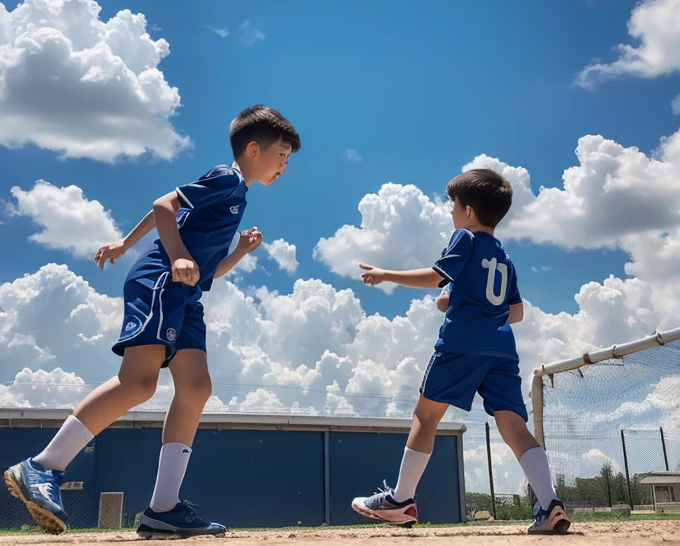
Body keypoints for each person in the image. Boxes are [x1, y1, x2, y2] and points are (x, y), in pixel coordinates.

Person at [4, 105, 300, 538]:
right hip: (161, 282)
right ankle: (41, 466)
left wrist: (237, 253)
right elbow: (165, 204)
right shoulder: (227, 179)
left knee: (197, 387)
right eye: (282, 156)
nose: (284, 166)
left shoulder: (234, 198)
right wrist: (169, 253)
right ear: (253, 149)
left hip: (188, 295)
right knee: (138, 383)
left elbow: (205, 268)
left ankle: (163, 509)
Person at [352, 168, 570, 536]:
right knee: (514, 425)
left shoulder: (463, 237)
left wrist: (386, 273)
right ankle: (549, 504)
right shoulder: (505, 257)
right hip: (501, 350)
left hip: (460, 343)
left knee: (426, 415)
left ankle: (401, 500)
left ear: (468, 211)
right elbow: (515, 311)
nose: (451, 211)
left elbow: (437, 275)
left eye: (453, 204)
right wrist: (459, 299)